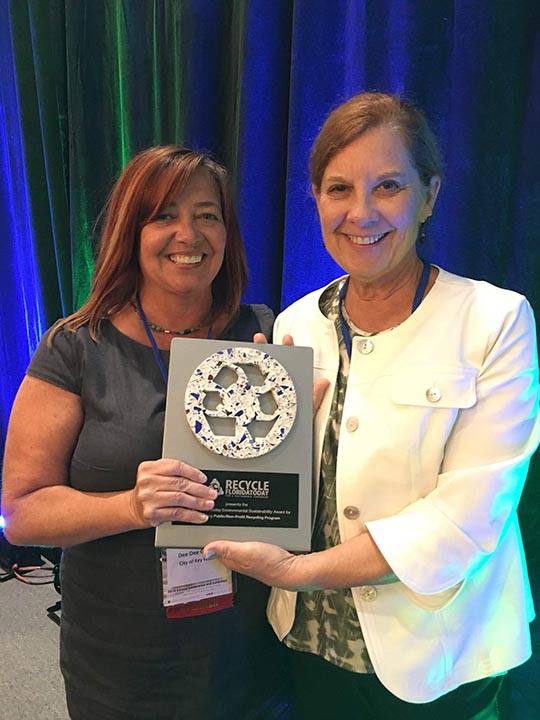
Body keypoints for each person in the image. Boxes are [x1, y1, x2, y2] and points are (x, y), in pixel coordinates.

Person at [203, 93, 540, 719]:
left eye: (388, 186)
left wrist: (298, 571)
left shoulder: (494, 320)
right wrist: (248, 438)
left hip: (437, 656)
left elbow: (468, 515)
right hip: (308, 640)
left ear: (429, 195)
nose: (361, 212)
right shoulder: (298, 322)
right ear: (316, 199)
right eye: (338, 189)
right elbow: (284, 486)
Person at [1, 146, 291, 719]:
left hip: (246, 645)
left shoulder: (267, 336)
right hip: (121, 653)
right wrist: (132, 507)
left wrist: (297, 421)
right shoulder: (77, 346)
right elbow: (21, 512)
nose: (189, 233)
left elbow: (296, 502)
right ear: (129, 231)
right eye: (164, 215)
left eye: (207, 215)